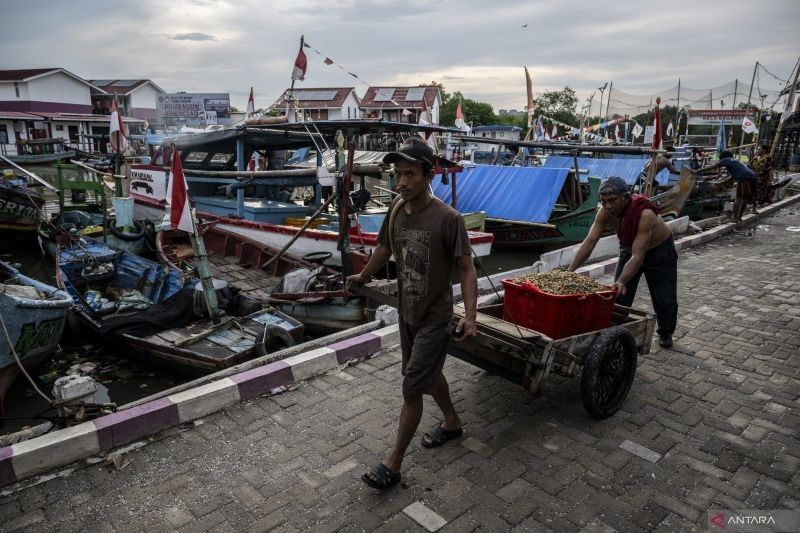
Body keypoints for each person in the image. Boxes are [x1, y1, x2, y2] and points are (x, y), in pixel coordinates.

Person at [346, 137, 478, 490]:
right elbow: (385, 248)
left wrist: (471, 315)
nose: (400, 182)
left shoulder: (448, 219)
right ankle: (451, 422)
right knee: (426, 375)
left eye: (409, 174)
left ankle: (393, 463)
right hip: (407, 312)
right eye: (397, 174)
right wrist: (364, 275)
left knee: (411, 387)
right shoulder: (395, 209)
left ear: (427, 175)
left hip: (436, 317)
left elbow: (467, 269)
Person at [568, 176, 678, 349]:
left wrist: (621, 279)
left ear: (626, 198)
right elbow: (589, 242)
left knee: (664, 297)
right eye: (603, 201)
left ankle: (666, 332)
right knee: (619, 295)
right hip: (629, 249)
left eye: (613, 200)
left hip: (659, 251)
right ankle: (615, 333)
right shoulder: (604, 212)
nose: (608, 206)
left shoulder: (645, 213)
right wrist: (570, 270)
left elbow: (638, 256)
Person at [694, 149, 757, 225]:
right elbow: (731, 177)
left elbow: (714, 166)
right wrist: (719, 183)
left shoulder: (726, 159)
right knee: (745, 199)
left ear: (723, 157)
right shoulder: (735, 162)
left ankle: (734, 218)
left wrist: (698, 170)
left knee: (739, 199)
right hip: (753, 176)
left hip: (744, 177)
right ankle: (739, 217)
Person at [751, 144, 774, 208]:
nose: (757, 151)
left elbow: (770, 170)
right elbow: (750, 167)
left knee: (762, 193)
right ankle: (754, 206)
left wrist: (770, 180)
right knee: (754, 193)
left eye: (759, 149)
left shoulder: (768, 159)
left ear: (764, 150)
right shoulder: (755, 158)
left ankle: (760, 206)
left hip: (763, 180)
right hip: (755, 179)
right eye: (757, 149)